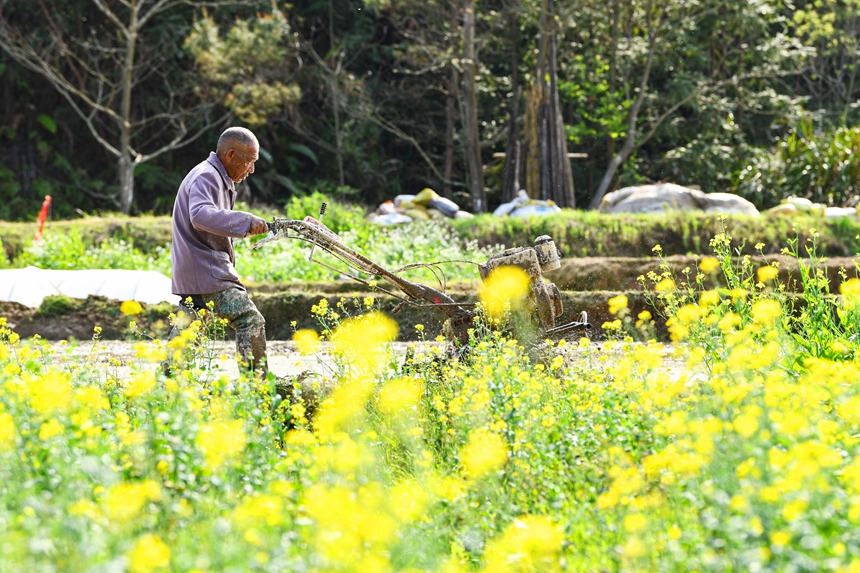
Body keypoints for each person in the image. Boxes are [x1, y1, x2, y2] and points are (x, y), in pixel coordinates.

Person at [167, 126, 271, 376]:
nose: (252, 170)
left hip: (194, 270)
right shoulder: (208, 176)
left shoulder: (211, 175)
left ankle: (168, 385)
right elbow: (200, 215)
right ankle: (256, 385)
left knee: (190, 330)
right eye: (250, 162)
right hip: (206, 271)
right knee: (249, 320)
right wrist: (245, 221)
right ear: (231, 155)